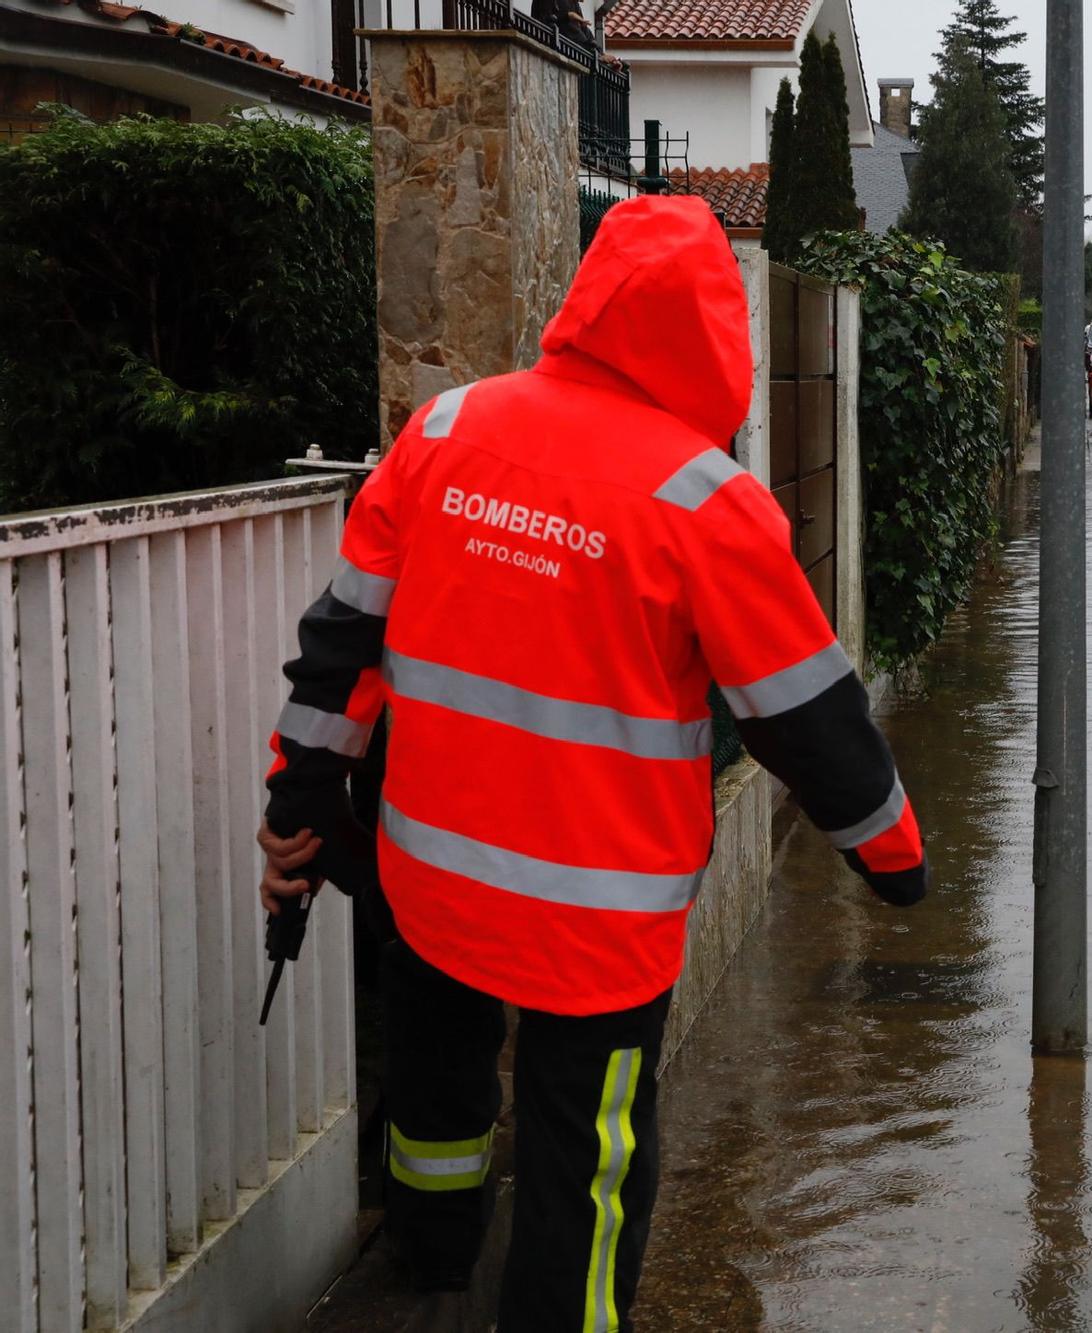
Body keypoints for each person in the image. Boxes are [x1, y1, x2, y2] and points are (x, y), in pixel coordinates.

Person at [255, 195, 928, 1331]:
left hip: (430, 882)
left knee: (435, 1097)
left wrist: (299, 803)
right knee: (588, 1166)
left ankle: (429, 1258)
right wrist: (891, 857)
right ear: (722, 337)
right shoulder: (708, 504)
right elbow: (809, 719)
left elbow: (340, 654)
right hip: (597, 923)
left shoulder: (444, 431)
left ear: (588, 300)